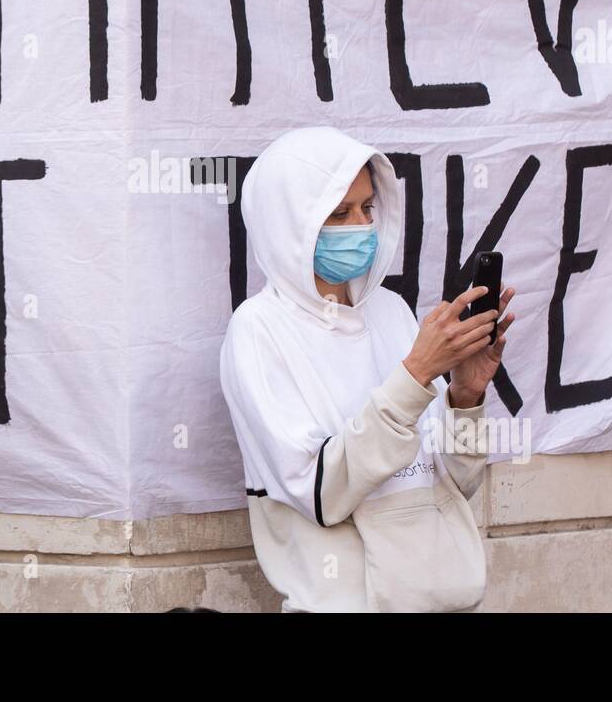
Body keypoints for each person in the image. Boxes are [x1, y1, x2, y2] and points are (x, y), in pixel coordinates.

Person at [218, 126, 517, 613]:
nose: (360, 226)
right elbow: (322, 494)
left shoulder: (390, 311)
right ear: (290, 222)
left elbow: (454, 484)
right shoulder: (258, 331)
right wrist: (416, 375)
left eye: (367, 209)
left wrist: (465, 397)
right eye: (338, 214)